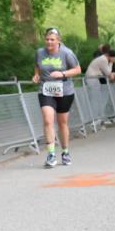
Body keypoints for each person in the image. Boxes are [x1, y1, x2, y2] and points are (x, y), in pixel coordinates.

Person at [32, 28, 82, 167]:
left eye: (52, 39)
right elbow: (37, 66)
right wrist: (36, 75)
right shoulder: (40, 52)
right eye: (47, 39)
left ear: (58, 40)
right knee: (48, 120)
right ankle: (51, 154)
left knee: (62, 123)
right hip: (46, 89)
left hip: (64, 90)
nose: (49, 42)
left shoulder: (67, 53)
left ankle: (65, 152)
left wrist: (63, 74)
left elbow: (78, 70)